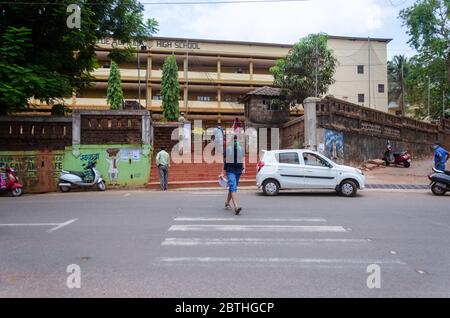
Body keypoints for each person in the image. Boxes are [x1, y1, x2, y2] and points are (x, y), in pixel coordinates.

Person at [221, 135, 245, 215]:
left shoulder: (241, 149)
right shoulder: (228, 150)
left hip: (238, 170)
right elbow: (224, 162)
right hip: (230, 170)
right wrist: (223, 172)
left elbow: (243, 159)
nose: (235, 141)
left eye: (236, 140)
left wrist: (244, 168)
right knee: (233, 186)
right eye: (234, 140)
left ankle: (227, 203)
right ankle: (236, 207)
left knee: (232, 187)